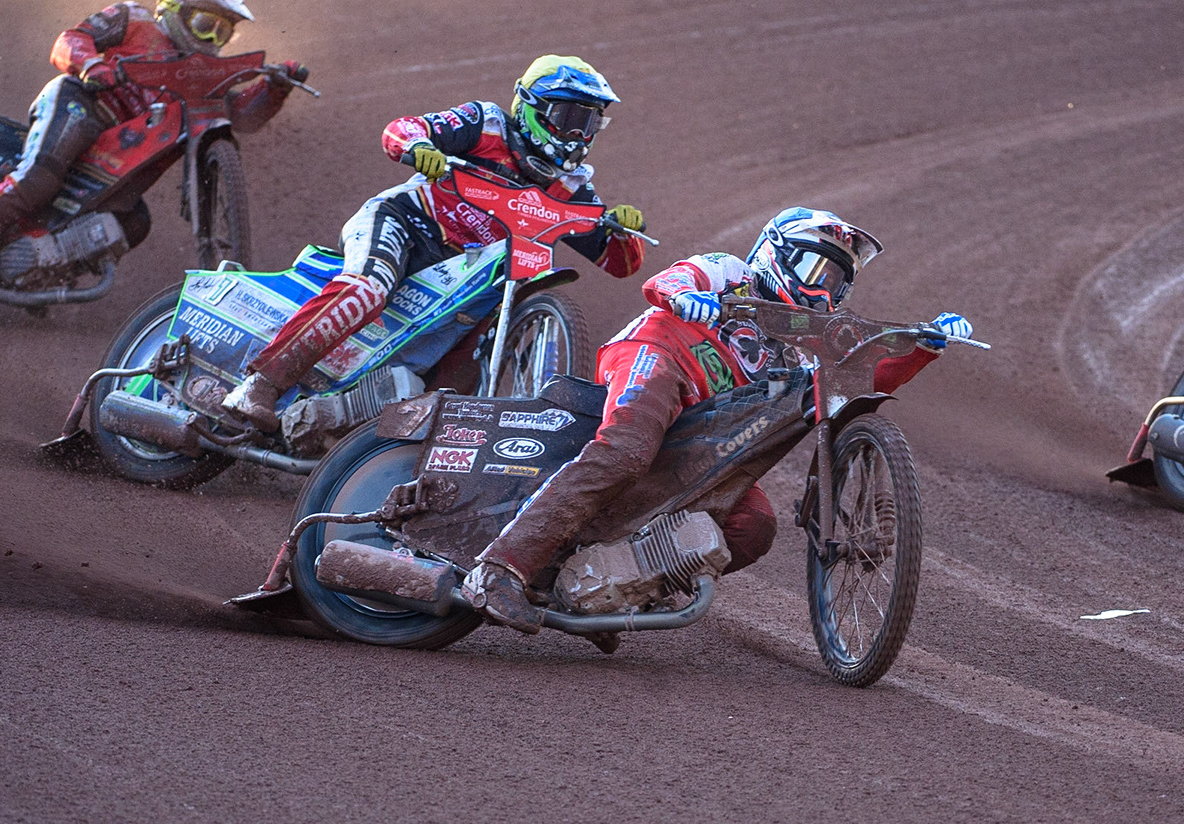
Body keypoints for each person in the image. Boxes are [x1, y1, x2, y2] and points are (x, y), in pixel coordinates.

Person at [460, 206, 975, 633]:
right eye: (818, 271)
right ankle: (499, 567)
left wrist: (924, 345)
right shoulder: (733, 272)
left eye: (838, 281)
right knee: (627, 449)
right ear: (778, 255)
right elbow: (673, 279)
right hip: (662, 353)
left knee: (752, 525)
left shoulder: (806, 345)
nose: (825, 291)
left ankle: (608, 594)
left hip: (710, 426)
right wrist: (688, 300)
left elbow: (864, 378)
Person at [220, 55, 648, 429]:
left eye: (590, 122)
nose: (578, 134)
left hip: (468, 277)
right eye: (570, 117)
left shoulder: (572, 186)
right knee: (366, 290)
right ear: (532, 107)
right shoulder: (486, 123)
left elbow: (618, 263)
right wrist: (419, 146)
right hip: (408, 224)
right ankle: (259, 384)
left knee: (471, 357)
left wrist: (623, 232)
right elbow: (402, 128)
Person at [0, 0, 307, 296]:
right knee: (39, 178)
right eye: (205, 25)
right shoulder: (133, 19)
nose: (212, 41)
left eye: (223, 34)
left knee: (134, 221)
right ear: (173, 11)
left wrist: (275, 88)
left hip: (119, 151)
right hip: (83, 104)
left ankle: (35, 272)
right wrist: (90, 65)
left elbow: (239, 118)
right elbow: (69, 40)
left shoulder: (204, 77)